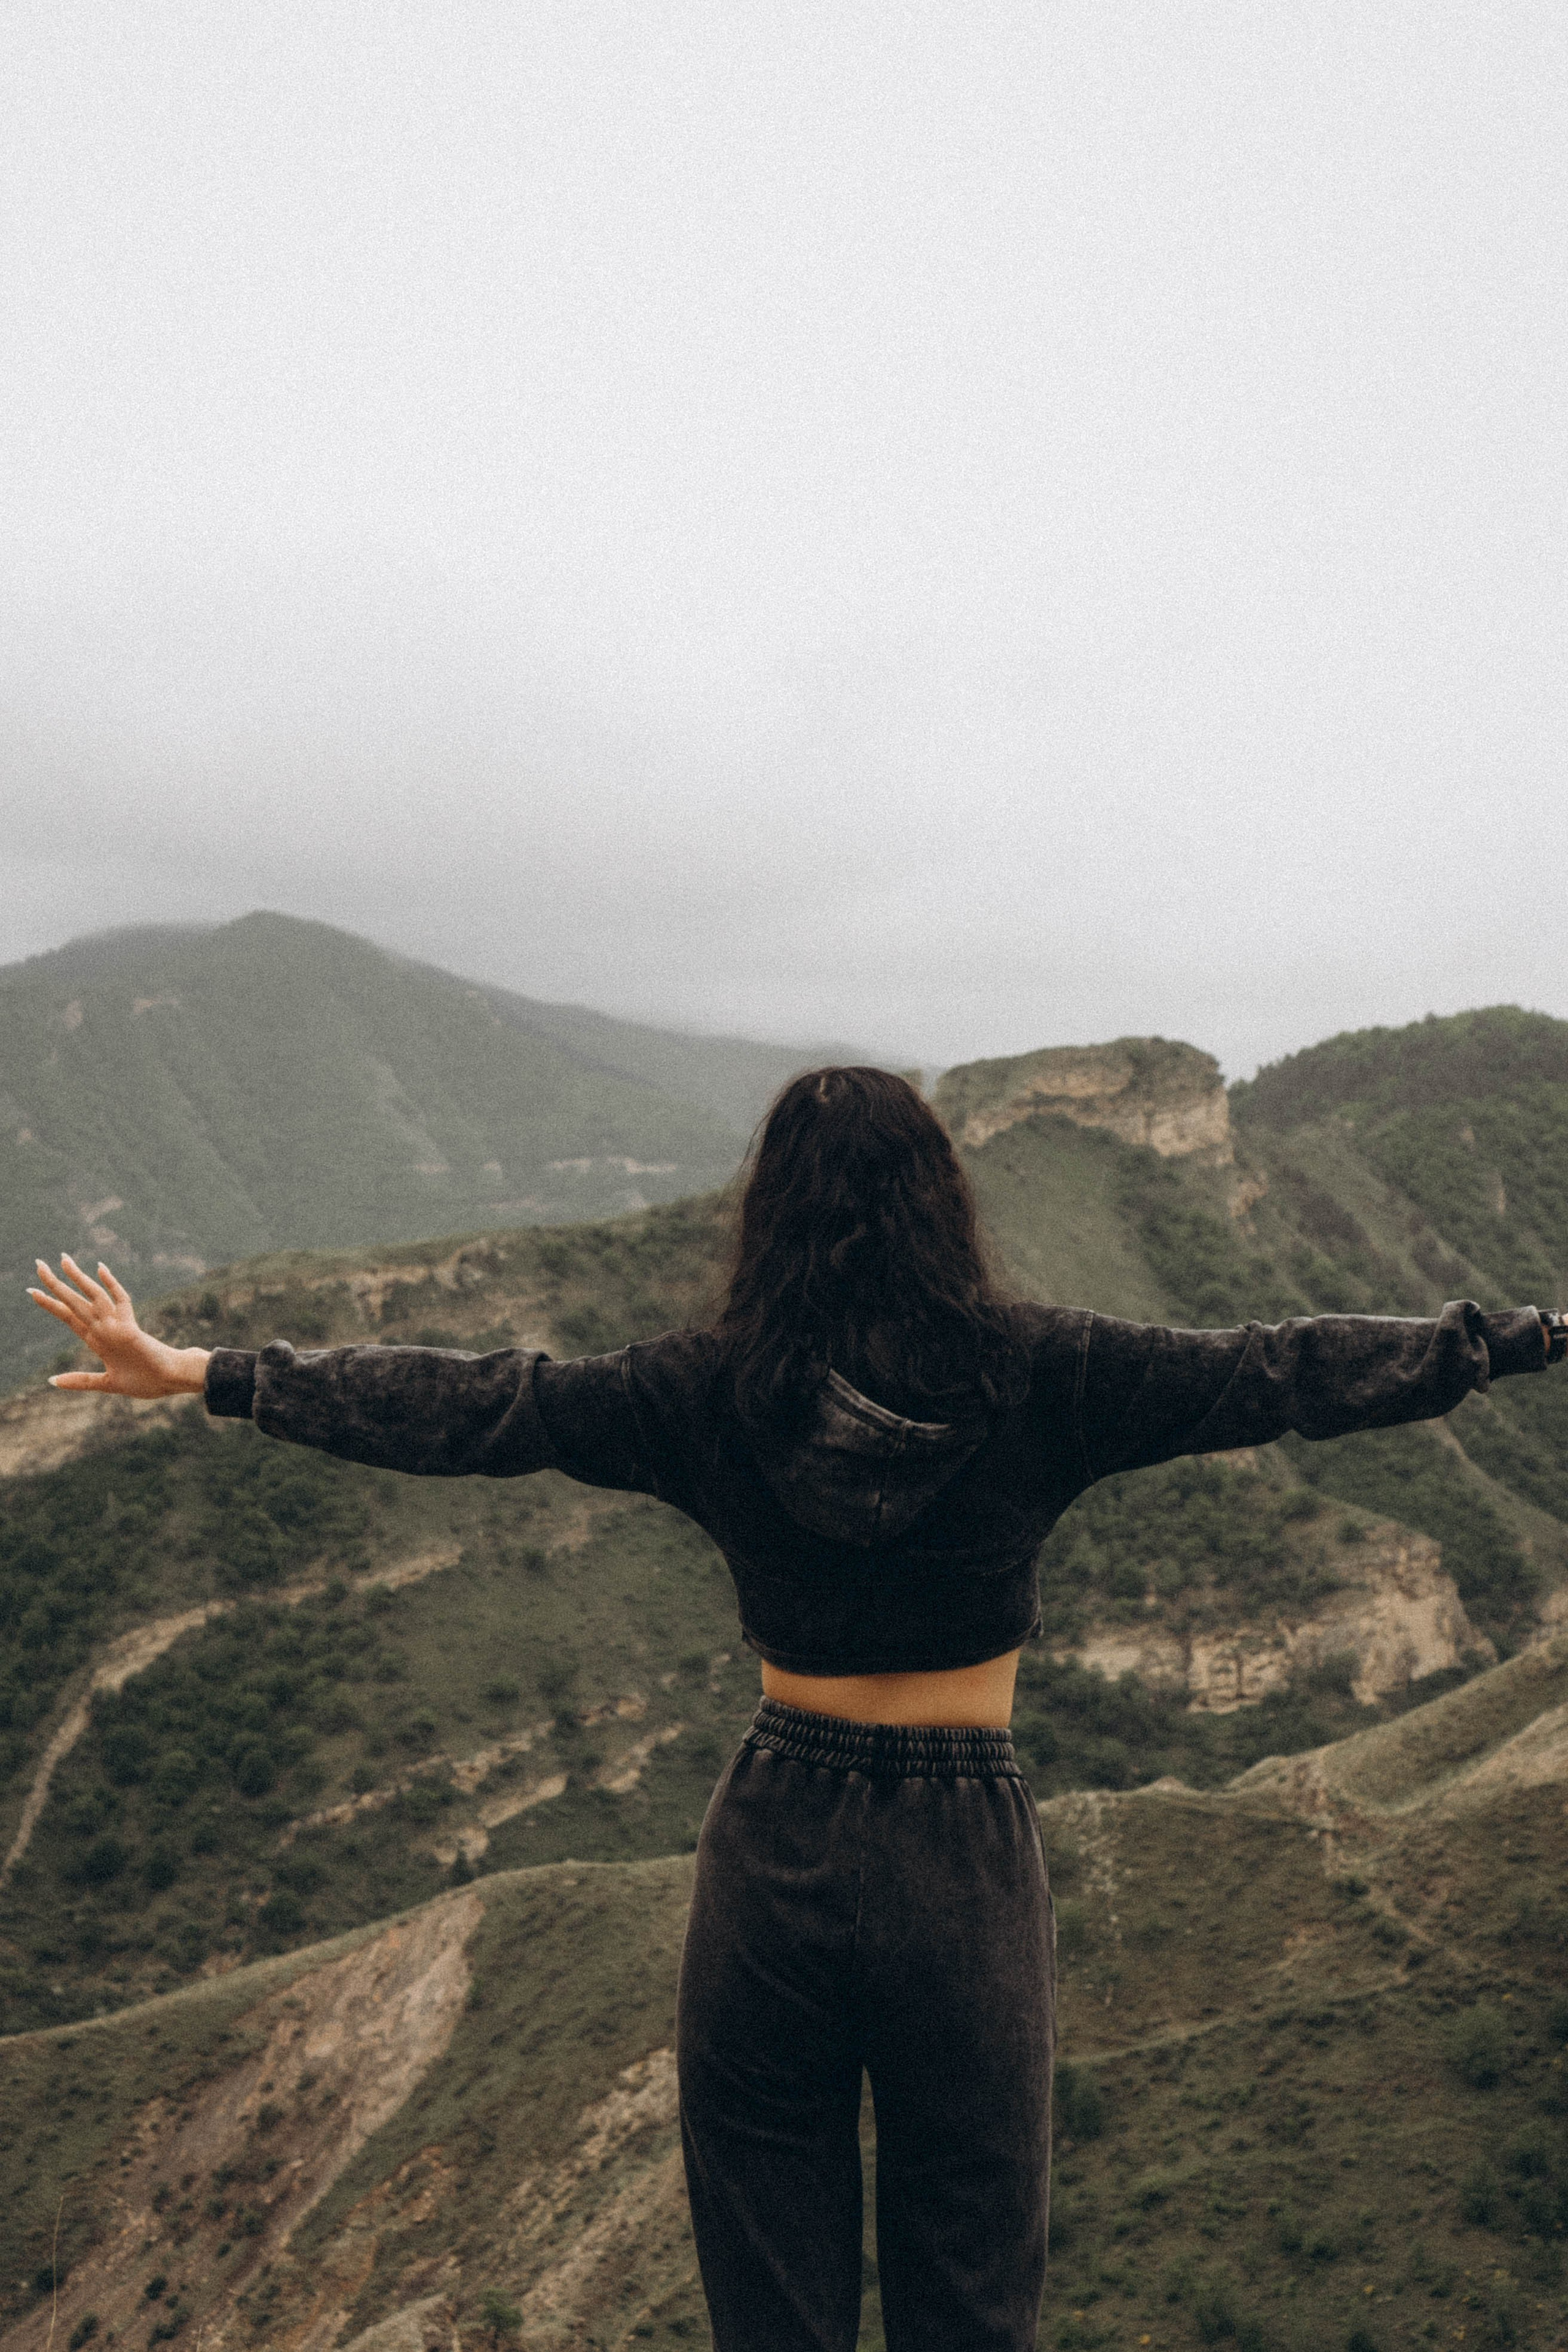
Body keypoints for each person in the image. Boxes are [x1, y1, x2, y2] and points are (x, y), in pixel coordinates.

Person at [29, 1066, 1567, 2352]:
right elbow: (1284, 1369)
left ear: (765, 1218)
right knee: (970, 2285)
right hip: (963, 1848)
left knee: (771, 2294)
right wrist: (1525, 1336)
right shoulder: (1049, 1372)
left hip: (770, 1841)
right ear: (944, 1205)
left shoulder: (702, 1390)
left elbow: (479, 1404)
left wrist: (211, 1372)